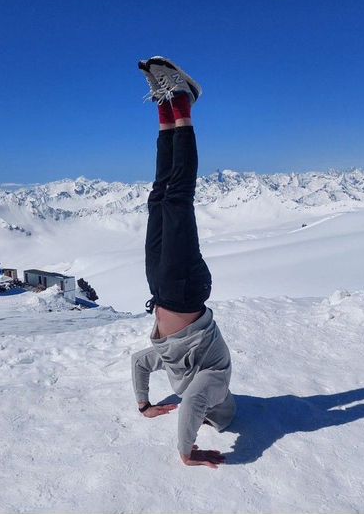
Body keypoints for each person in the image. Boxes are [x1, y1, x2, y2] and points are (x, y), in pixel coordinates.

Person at [131, 56, 236, 469]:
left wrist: (144, 405)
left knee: (159, 197)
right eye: (214, 413)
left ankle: (165, 107)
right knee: (177, 200)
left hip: (161, 290)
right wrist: (186, 451)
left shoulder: (181, 370)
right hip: (185, 288)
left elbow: (140, 361)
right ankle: (185, 103)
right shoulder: (217, 382)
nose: (208, 410)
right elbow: (195, 401)